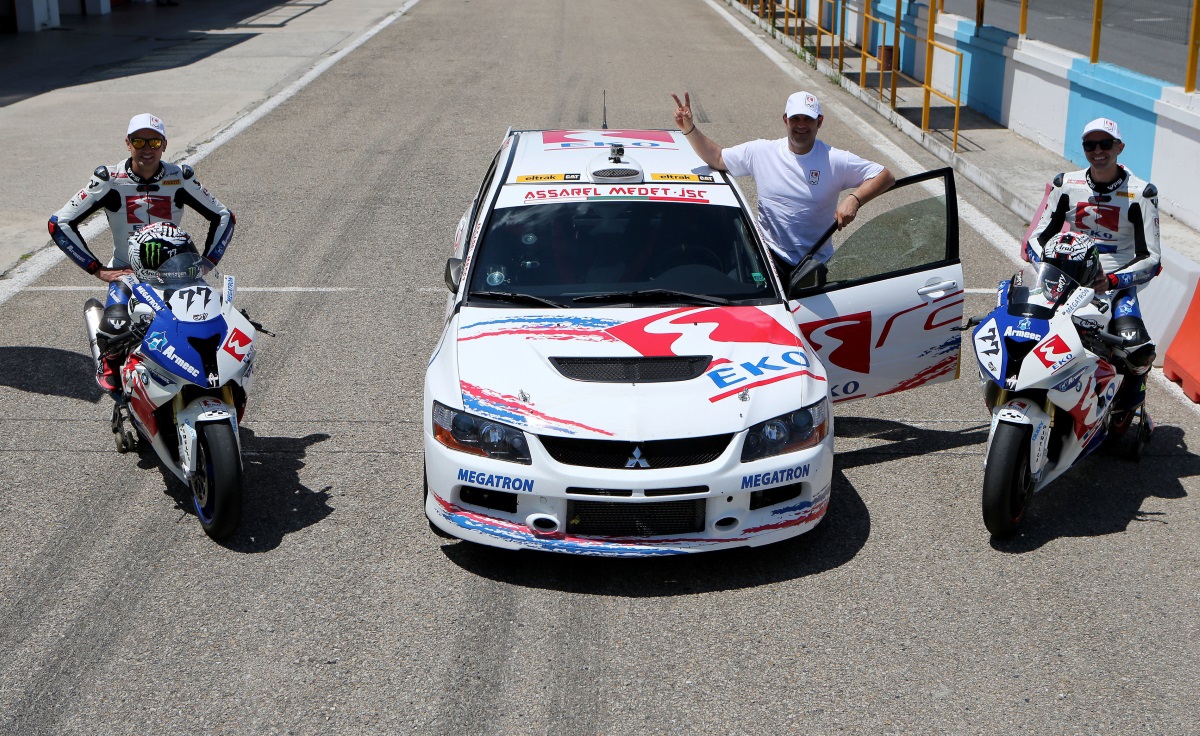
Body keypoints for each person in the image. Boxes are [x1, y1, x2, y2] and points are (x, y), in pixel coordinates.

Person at [49, 113, 234, 391]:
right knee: (114, 328)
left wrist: (209, 260)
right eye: (139, 141)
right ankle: (110, 366)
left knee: (209, 326)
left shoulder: (180, 177)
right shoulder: (108, 179)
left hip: (178, 274)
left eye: (154, 141)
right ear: (128, 143)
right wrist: (97, 268)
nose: (147, 148)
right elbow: (59, 224)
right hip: (128, 274)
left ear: (164, 144)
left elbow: (224, 216)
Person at [1027, 117, 1160, 431]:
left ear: (1119, 147)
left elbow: (1151, 258)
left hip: (1115, 284)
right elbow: (1036, 239)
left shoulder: (1142, 193)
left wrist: (1113, 281)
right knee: (1025, 328)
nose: (1097, 151)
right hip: (1064, 278)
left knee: (1138, 350)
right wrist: (1046, 269)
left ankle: (1123, 411)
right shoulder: (1065, 183)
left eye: (1105, 144)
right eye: (1090, 145)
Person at [670, 90, 895, 274]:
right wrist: (689, 129)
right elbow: (717, 158)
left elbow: (885, 176)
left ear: (820, 122)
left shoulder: (833, 159)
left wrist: (854, 200)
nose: (801, 125)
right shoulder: (762, 152)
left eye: (808, 119)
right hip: (769, 260)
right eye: (795, 118)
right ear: (785, 119)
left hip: (816, 265)